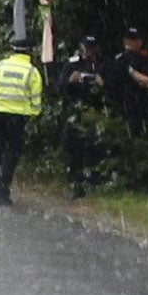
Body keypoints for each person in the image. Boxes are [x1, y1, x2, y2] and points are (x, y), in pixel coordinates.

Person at [0, 38, 44, 207]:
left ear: (13, 50)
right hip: (18, 119)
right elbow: (36, 101)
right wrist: (32, 113)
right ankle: (2, 191)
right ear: (29, 52)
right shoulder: (32, 72)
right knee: (11, 154)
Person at [56, 35, 108, 197]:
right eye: (86, 47)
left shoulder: (100, 64)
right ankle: (75, 181)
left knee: (95, 146)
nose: (89, 50)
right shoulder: (72, 64)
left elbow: (111, 86)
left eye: (92, 47)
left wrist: (101, 82)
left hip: (95, 109)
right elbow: (59, 86)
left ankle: (94, 180)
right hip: (75, 109)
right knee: (73, 146)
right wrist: (70, 81)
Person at [109, 27, 148, 139]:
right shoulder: (118, 60)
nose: (136, 42)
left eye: (136, 39)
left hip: (141, 103)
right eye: (131, 39)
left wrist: (133, 73)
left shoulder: (144, 58)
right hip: (123, 105)